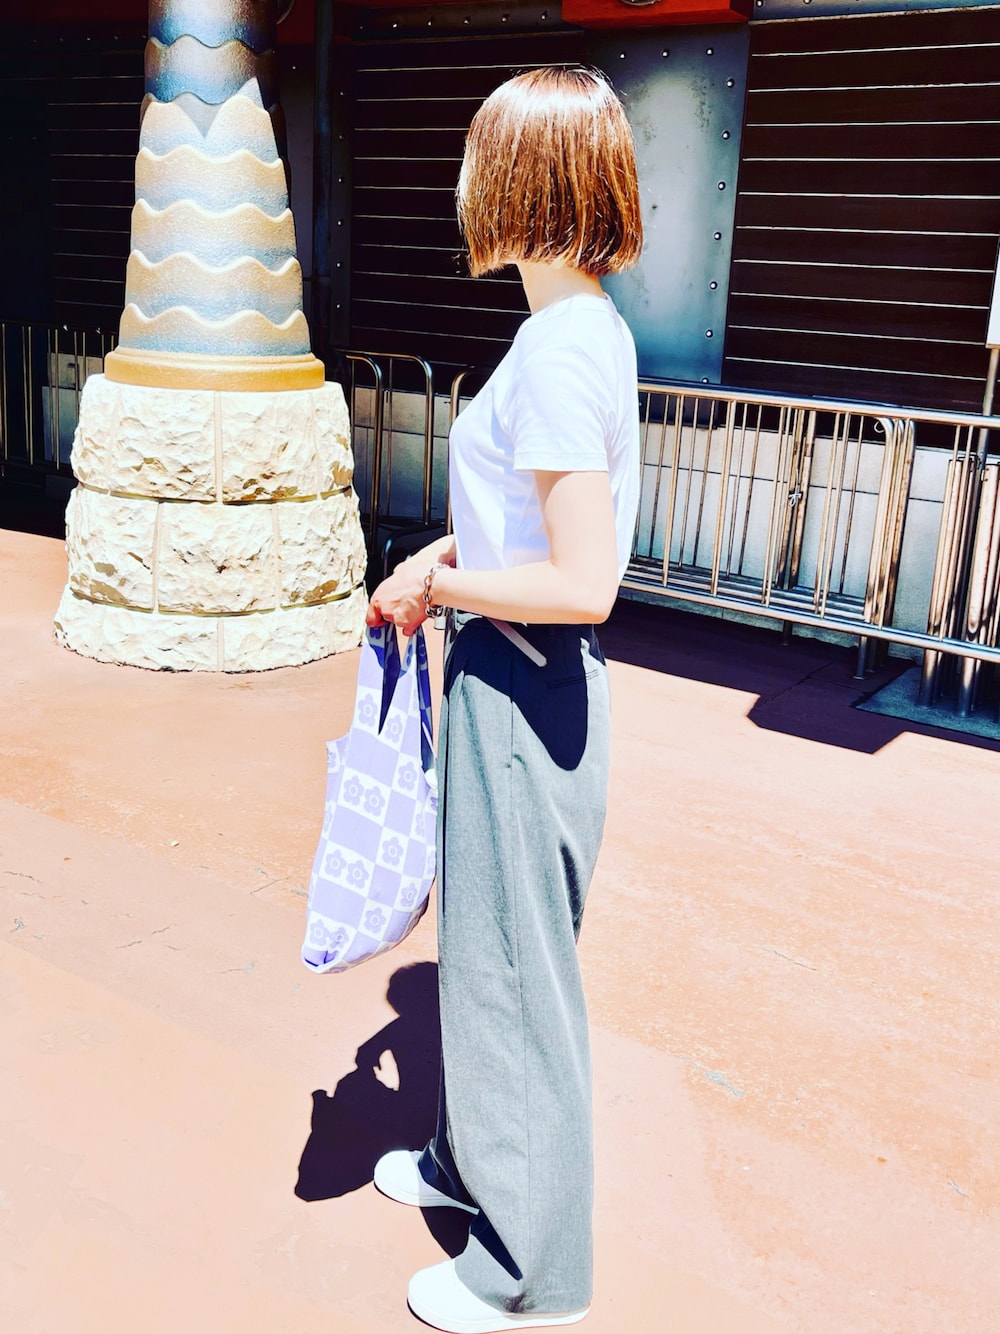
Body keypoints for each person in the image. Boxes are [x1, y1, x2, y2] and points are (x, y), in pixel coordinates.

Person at [365, 65, 643, 1334]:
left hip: (526, 685)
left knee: (515, 975)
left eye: (482, 158)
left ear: (525, 181)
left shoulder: (562, 349)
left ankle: (531, 1273)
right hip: (513, 675)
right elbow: (526, 534)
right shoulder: (568, 331)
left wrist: (442, 584)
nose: (464, 181)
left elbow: (584, 582)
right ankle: (468, 1162)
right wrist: (442, 563)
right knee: (484, 953)